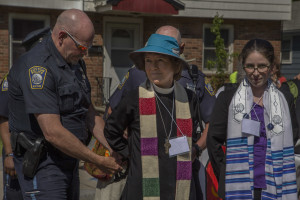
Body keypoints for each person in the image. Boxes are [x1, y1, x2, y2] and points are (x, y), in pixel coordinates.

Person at [8, 9, 122, 200]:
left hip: (69, 159)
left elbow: (89, 113)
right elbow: (52, 132)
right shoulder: (39, 67)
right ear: (62, 36)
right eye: (82, 48)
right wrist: (97, 160)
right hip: (44, 164)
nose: (84, 54)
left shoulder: (75, 63)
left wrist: (113, 147)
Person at [104, 33, 201, 200]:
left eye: (160, 60)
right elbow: (111, 130)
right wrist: (131, 153)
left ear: (175, 65)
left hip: (179, 185)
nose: (153, 66)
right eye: (148, 60)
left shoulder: (189, 98)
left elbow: (194, 135)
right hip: (143, 185)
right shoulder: (134, 98)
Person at [207, 39, 298, 199]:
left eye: (262, 66)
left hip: (275, 183)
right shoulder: (228, 98)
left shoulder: (285, 98)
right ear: (244, 66)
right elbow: (213, 140)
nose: (256, 73)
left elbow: (293, 135)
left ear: (271, 67)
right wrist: (226, 172)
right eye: (250, 66)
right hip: (236, 184)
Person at [0, 26, 50, 200]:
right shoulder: (14, 76)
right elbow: (3, 117)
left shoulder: (46, 75)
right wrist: (9, 154)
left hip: (40, 153)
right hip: (18, 152)